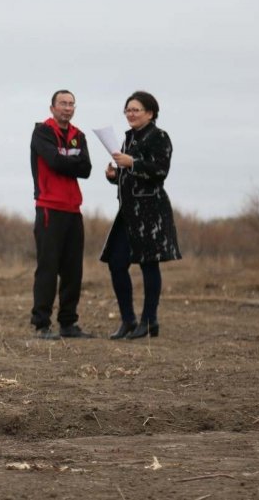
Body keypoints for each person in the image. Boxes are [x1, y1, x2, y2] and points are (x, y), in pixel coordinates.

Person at [101, 91, 181, 339]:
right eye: (128, 110)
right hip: (128, 212)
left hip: (150, 212)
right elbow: (131, 177)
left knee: (148, 263)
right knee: (116, 262)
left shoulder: (159, 137)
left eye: (136, 110)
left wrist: (132, 163)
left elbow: (160, 170)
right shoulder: (129, 139)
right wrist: (115, 176)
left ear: (150, 113)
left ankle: (149, 320)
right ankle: (128, 320)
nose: (131, 114)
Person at [30, 89, 93, 340]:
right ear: (52, 107)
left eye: (71, 104)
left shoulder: (79, 136)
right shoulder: (42, 132)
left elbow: (86, 169)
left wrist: (67, 160)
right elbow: (53, 161)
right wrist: (71, 162)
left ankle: (68, 323)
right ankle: (42, 324)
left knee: (72, 270)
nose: (67, 108)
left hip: (73, 209)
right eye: (62, 103)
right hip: (48, 207)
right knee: (48, 267)